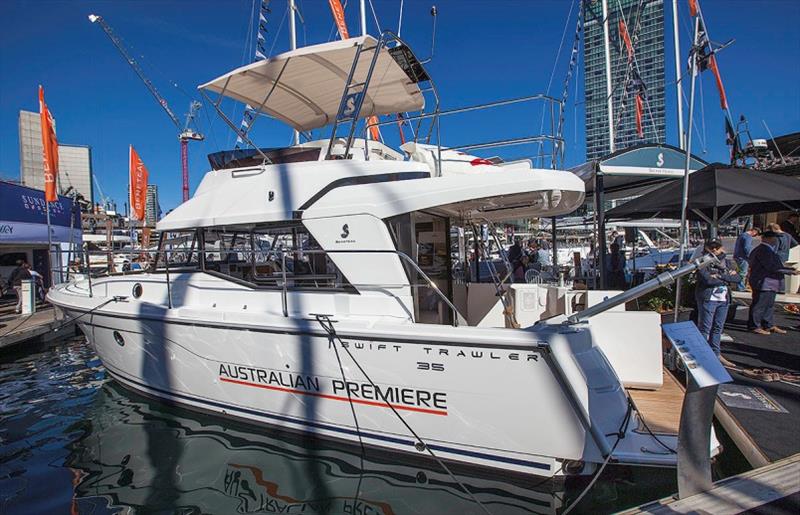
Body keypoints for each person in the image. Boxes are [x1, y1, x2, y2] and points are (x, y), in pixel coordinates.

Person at [747, 231, 800, 334]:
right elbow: (771, 267)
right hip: (763, 282)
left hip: (771, 283)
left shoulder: (769, 250)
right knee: (759, 305)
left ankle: (768, 324)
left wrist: (788, 269)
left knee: (769, 305)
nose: (776, 240)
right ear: (766, 238)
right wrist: (790, 271)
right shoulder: (763, 250)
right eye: (774, 238)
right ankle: (754, 326)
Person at [694, 239, 739, 359]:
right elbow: (707, 280)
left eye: (717, 247)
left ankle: (716, 353)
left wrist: (719, 276)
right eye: (711, 247)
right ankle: (702, 354)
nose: (714, 249)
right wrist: (727, 277)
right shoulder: (703, 262)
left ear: (721, 247)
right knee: (705, 327)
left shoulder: (728, 262)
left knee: (718, 327)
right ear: (706, 248)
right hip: (708, 298)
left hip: (723, 299)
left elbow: (738, 279)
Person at [733, 227, 761, 291]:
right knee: (743, 273)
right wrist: (751, 256)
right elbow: (747, 248)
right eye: (756, 234)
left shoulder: (742, 235)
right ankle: (741, 287)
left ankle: (739, 286)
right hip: (743, 257)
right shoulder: (748, 237)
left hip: (737, 256)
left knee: (739, 272)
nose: (755, 236)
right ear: (754, 231)